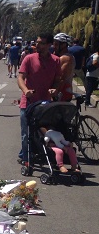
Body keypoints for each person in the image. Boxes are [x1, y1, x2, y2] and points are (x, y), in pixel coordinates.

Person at [16, 32, 61, 164]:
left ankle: (43, 156)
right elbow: (21, 77)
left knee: (44, 134)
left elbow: (58, 80)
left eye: (41, 43)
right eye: (37, 42)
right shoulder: (29, 58)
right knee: (26, 134)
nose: (38, 45)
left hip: (45, 105)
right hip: (28, 103)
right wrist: (26, 90)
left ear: (49, 45)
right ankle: (26, 160)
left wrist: (55, 89)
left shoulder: (56, 60)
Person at [52, 33, 75, 102]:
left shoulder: (66, 58)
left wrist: (54, 94)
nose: (54, 46)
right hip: (59, 92)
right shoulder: (59, 56)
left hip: (62, 93)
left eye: (56, 44)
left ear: (63, 45)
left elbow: (61, 79)